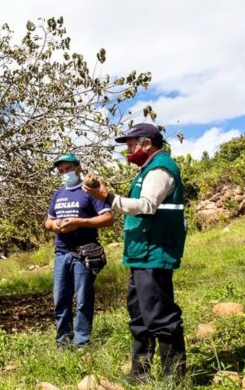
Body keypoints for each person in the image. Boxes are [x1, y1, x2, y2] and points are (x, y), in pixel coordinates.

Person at [83, 123, 187, 381]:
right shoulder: (146, 170)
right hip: (142, 253)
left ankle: (173, 378)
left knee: (159, 315)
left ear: (146, 143)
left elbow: (146, 205)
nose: (128, 150)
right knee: (140, 314)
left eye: (130, 144)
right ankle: (139, 374)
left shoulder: (161, 168)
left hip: (155, 251)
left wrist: (108, 198)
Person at [44, 154, 113, 348]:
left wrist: (79, 223)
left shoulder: (89, 191)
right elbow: (47, 221)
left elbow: (108, 218)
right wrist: (55, 225)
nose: (65, 174)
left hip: (84, 253)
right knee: (60, 299)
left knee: (83, 300)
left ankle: (81, 342)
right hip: (61, 253)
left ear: (78, 168)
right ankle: (63, 341)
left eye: (68, 169)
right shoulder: (58, 194)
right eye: (61, 171)